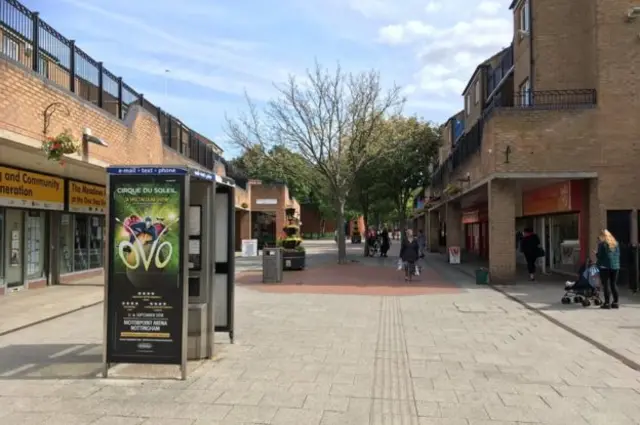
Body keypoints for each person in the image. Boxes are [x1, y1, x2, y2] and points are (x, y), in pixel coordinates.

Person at [595, 229, 620, 309]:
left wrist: (596, 253)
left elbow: (600, 256)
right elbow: (618, 255)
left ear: (603, 236)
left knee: (606, 284)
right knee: (613, 284)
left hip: (605, 266)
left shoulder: (602, 245)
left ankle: (607, 303)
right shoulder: (616, 243)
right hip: (615, 266)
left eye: (600, 236)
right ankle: (615, 302)